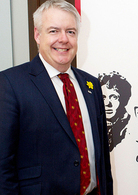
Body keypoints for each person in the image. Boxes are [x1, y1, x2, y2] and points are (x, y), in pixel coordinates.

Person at [0, 0, 113, 194]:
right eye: (53, 31)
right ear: (37, 34)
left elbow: (102, 160)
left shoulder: (91, 85)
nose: (63, 39)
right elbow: (3, 165)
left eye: (70, 31)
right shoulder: (10, 83)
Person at [98, 71, 132, 152]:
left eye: (114, 97)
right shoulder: (92, 121)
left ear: (122, 100)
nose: (108, 103)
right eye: (103, 97)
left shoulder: (128, 126)